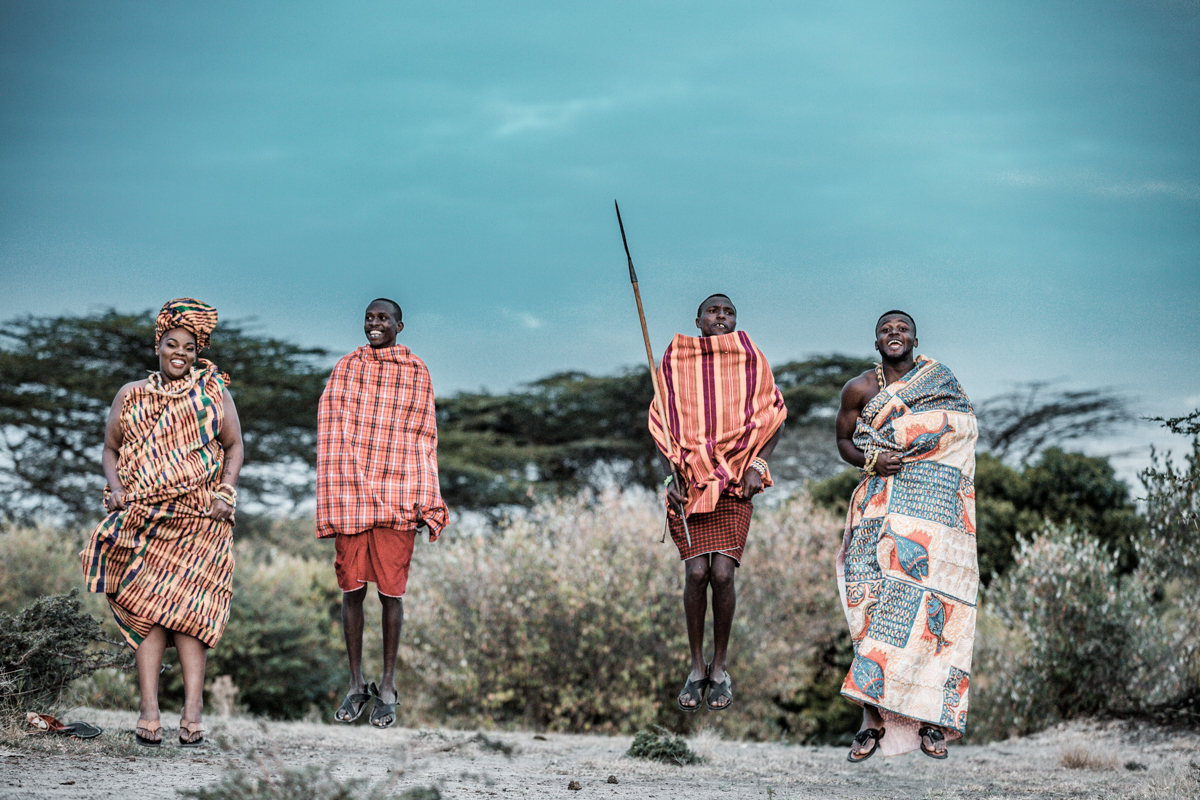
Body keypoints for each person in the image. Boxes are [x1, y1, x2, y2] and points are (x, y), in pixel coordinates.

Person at [80, 298, 244, 748]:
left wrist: (225, 492)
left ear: (197, 352)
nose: (180, 353)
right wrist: (114, 488)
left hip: (200, 521)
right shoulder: (131, 394)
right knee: (149, 613)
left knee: (191, 618)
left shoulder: (213, 394)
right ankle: (149, 710)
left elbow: (234, 447)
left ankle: (192, 713)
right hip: (144, 522)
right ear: (158, 346)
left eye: (189, 348)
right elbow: (110, 449)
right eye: (172, 344)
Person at [833, 310, 978, 761]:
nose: (894, 334)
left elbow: (963, 431)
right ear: (876, 342)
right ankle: (871, 719)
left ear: (916, 338)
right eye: (885, 329)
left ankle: (934, 721)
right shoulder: (859, 389)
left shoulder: (942, 381)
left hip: (936, 518)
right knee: (870, 605)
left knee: (939, 611)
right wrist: (872, 463)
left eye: (902, 328)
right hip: (878, 507)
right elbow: (843, 444)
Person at [648, 294, 786, 712]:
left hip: (734, 484)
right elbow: (663, 421)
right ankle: (695, 667)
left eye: (728, 312)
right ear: (699, 320)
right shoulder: (676, 359)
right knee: (696, 574)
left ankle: (721, 667)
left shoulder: (750, 356)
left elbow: (773, 415)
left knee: (722, 574)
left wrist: (756, 466)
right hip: (689, 481)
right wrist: (672, 475)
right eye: (714, 311)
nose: (721, 317)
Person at [316, 298, 448, 729]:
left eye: (383, 318)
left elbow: (422, 437)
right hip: (353, 496)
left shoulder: (416, 372)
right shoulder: (345, 368)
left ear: (400, 325)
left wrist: (424, 497)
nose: (375, 324)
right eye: (370, 318)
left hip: (396, 499)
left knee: (392, 594)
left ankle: (387, 688)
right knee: (351, 591)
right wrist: (340, 488)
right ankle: (356, 686)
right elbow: (333, 429)